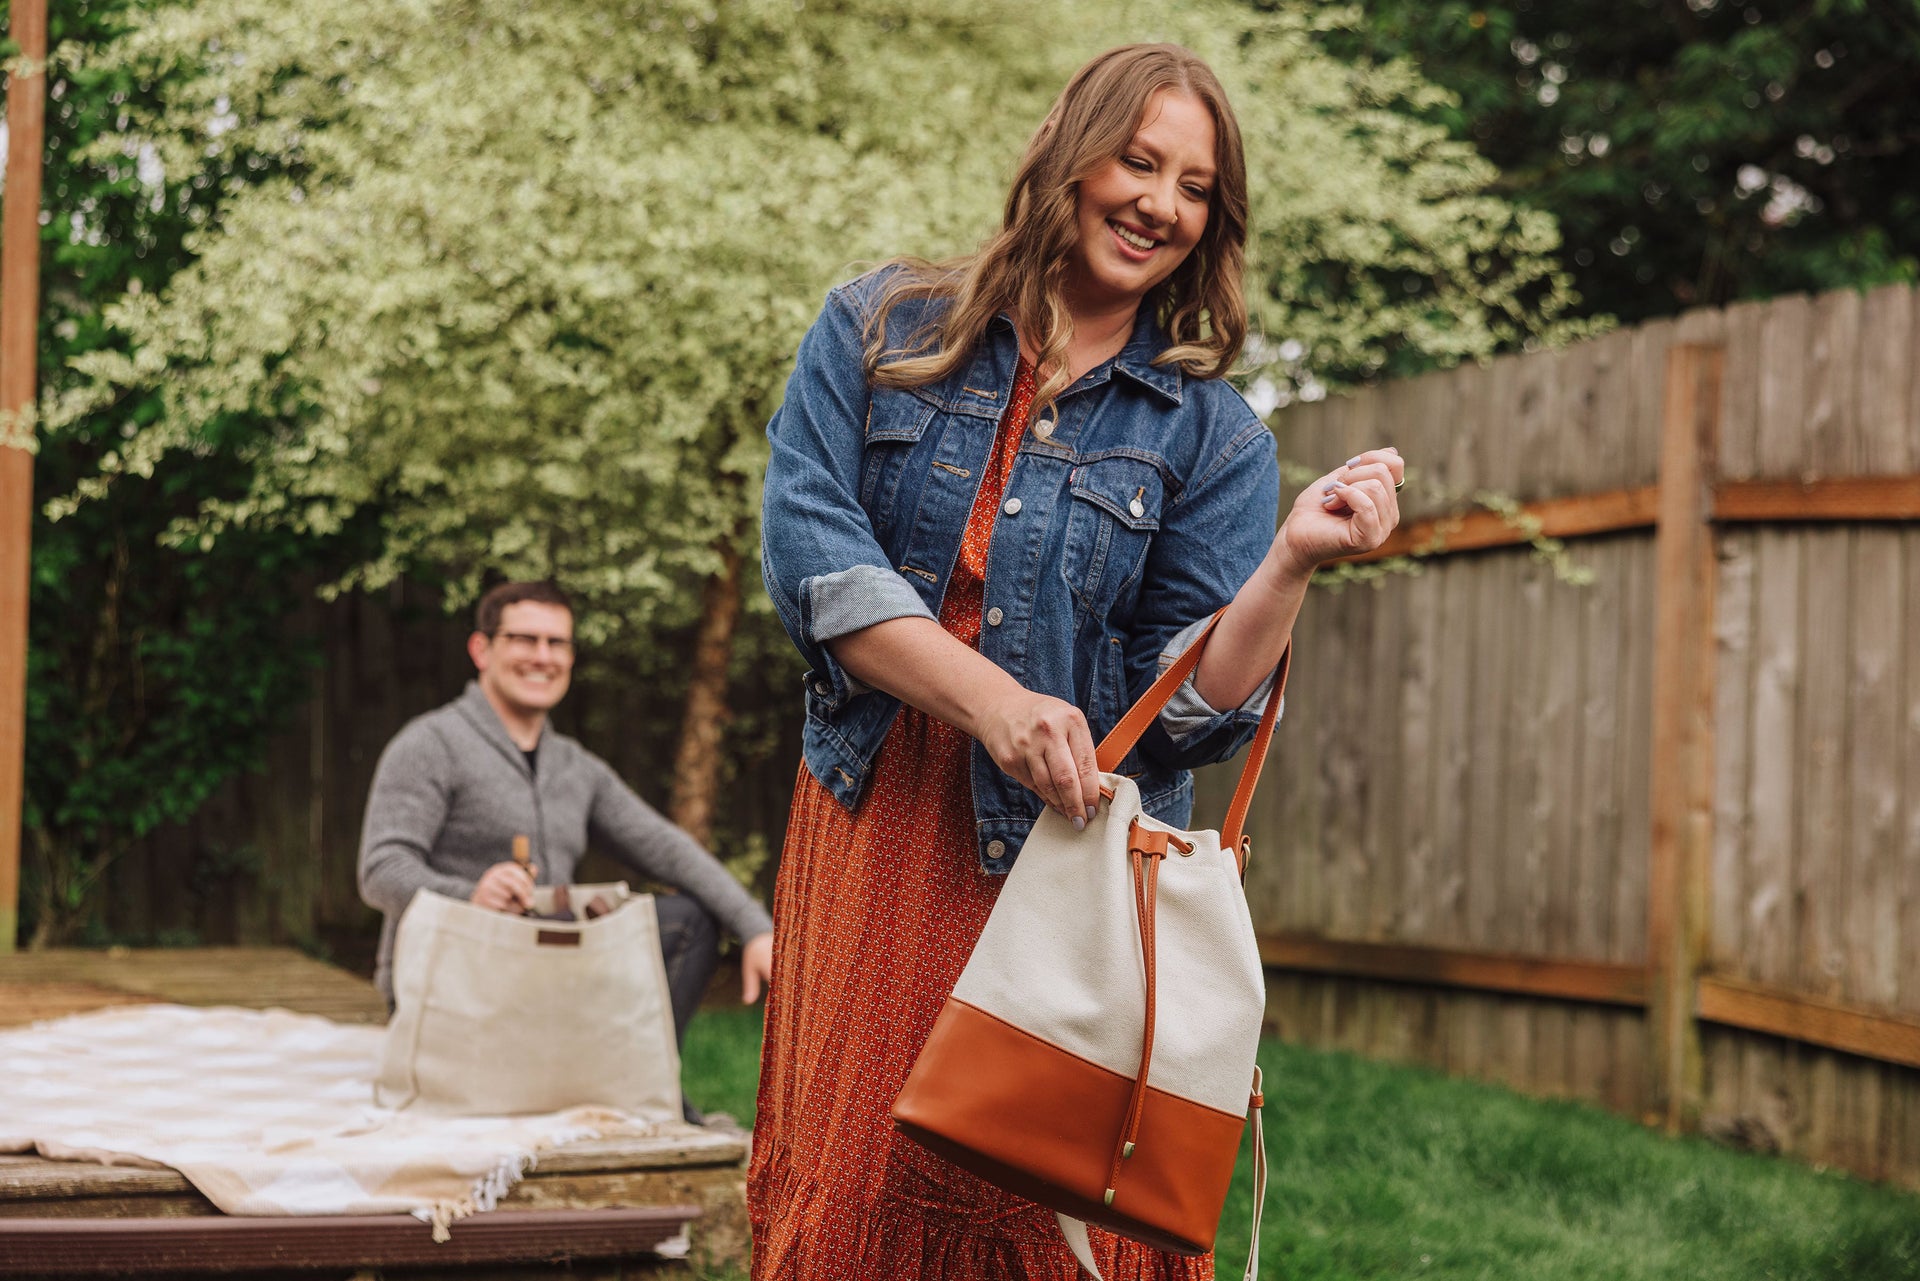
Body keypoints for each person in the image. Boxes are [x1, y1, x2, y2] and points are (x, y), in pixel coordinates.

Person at [752, 42, 1403, 1281]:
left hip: (1072, 866)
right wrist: (992, 703)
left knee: (1049, 1217)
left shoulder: (1210, 436)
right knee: (856, 1201)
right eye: (1139, 159)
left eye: (1196, 186)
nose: (1162, 202)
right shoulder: (879, 328)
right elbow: (813, 559)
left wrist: (1290, 565)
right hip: (882, 834)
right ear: (1069, 157)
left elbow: (1193, 719)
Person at [357, 580, 776, 1119]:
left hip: (546, 980)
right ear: (481, 649)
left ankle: (640, 1084)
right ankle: (637, 1096)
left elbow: (668, 849)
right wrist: (469, 893)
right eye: (524, 639)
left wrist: (755, 927)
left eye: (557, 644)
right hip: (454, 988)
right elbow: (380, 870)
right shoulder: (429, 745)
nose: (542, 656)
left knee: (690, 920)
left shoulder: (575, 768)